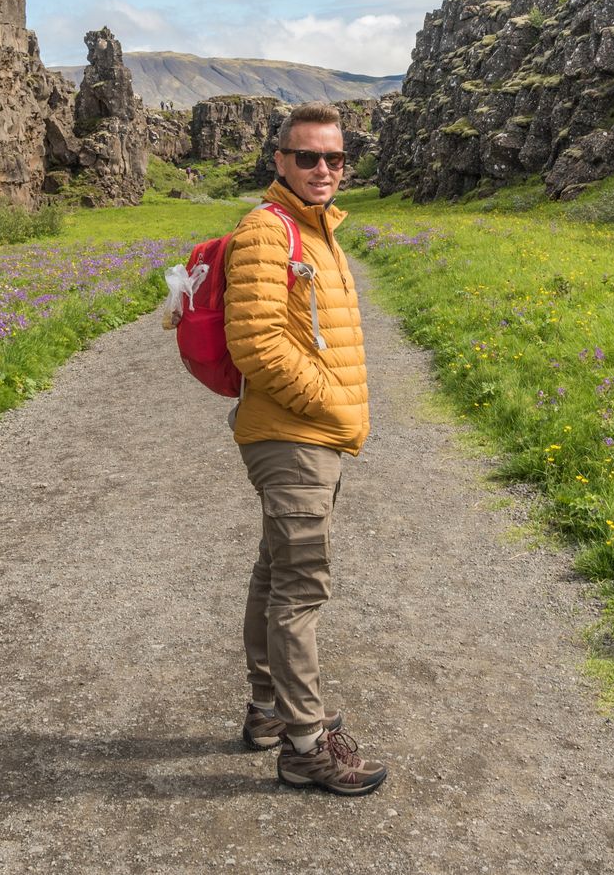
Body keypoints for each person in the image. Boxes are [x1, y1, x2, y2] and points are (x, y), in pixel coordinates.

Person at [222, 101, 387, 796]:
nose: (324, 169)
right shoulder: (268, 231)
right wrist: (333, 400)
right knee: (301, 586)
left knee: (275, 571)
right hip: (293, 435)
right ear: (280, 160)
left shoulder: (319, 231)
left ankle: (267, 712)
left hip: (307, 435)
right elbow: (256, 344)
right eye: (308, 157)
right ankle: (306, 743)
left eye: (335, 158)